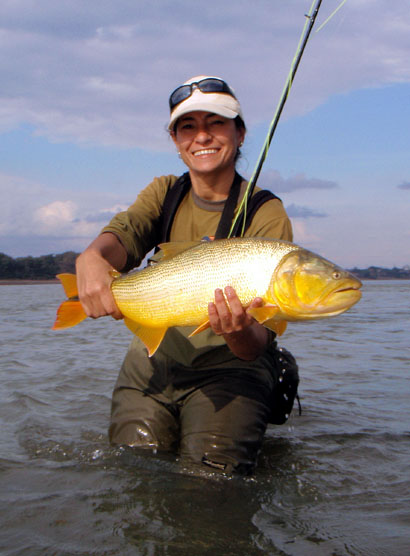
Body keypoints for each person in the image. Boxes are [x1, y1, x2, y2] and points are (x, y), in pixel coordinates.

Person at [76, 75, 298, 474]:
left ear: (240, 133)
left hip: (233, 369)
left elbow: (255, 345)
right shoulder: (164, 192)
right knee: (133, 466)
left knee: (209, 482)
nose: (202, 137)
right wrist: (92, 257)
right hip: (153, 361)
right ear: (177, 142)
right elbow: (123, 236)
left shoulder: (267, 213)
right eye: (188, 126)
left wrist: (236, 331)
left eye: (216, 122)